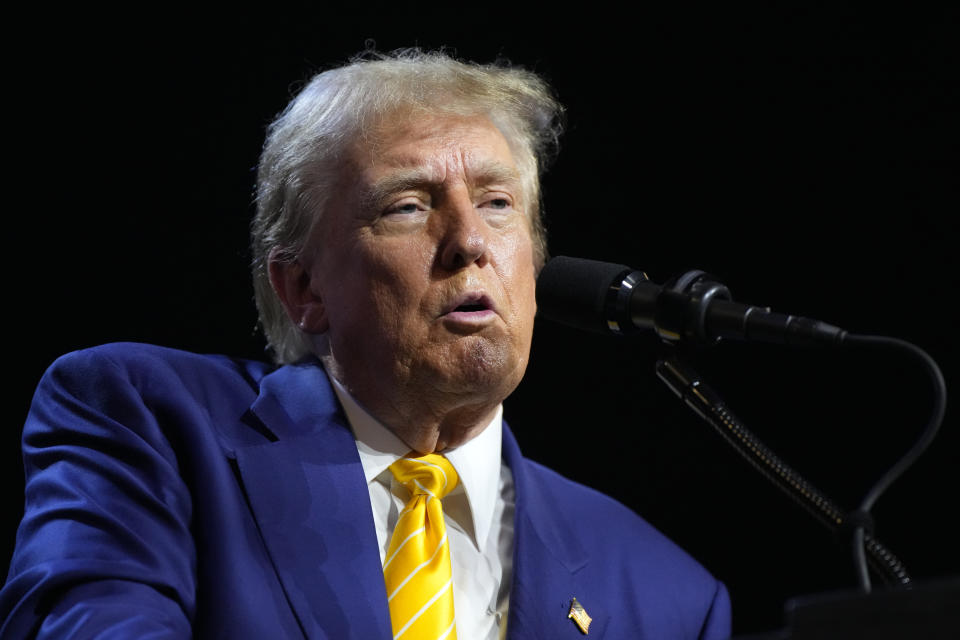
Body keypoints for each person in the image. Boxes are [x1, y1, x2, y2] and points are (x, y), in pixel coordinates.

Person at [1, 50, 731, 639]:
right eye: (408, 206)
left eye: (497, 203)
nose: (470, 242)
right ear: (302, 289)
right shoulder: (153, 427)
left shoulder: (666, 594)